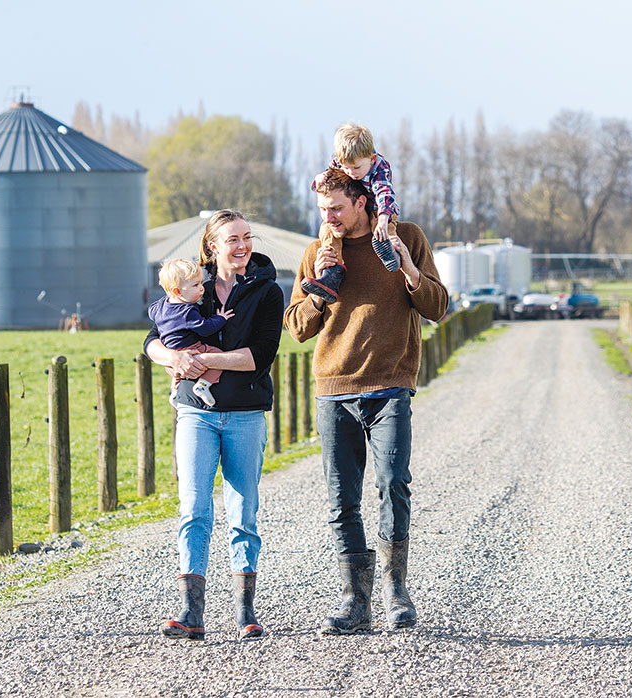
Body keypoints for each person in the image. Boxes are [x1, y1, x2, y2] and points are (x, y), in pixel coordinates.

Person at [284, 168, 448, 634]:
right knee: (341, 500)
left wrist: (409, 269)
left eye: (336, 207)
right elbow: (296, 327)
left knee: (394, 482)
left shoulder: (406, 237)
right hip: (334, 390)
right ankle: (356, 600)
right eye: (322, 210)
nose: (329, 217)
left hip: (389, 385)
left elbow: (437, 307)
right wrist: (322, 288)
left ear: (362, 200)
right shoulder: (319, 252)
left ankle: (396, 591)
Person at [144, 209, 284, 641]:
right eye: (232, 239)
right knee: (194, 509)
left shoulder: (268, 292)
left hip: (245, 414)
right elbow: (151, 340)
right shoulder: (190, 285)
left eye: (247, 237)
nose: (242, 246)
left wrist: (201, 360)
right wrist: (174, 358)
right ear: (212, 247)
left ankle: (245, 614)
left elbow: (260, 355)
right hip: (195, 413)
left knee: (242, 512)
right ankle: (191, 614)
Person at [300, 122, 401, 303]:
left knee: (380, 227)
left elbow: (385, 194)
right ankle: (332, 272)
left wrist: (384, 220)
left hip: (379, 208)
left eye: (356, 168)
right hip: (357, 201)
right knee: (327, 231)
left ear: (370, 159)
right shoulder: (340, 160)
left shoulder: (379, 167)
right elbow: (329, 180)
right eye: (346, 167)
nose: (350, 173)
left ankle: (391, 251)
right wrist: (319, 179)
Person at [147, 258, 235, 407]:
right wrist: (220, 319)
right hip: (190, 349)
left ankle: (175, 390)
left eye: (201, 283)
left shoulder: (160, 305)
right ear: (177, 291)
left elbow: (151, 313)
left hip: (170, 350)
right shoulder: (187, 312)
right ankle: (203, 385)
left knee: (176, 371)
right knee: (218, 356)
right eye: (195, 285)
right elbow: (205, 328)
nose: (202, 288)